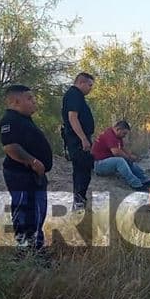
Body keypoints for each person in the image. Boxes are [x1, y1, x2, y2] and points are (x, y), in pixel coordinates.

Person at [0, 84, 53, 254]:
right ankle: (26, 253)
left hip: (33, 176)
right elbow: (11, 148)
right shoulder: (9, 120)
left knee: (37, 213)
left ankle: (36, 248)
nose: (34, 101)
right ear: (16, 101)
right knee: (25, 213)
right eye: (29, 98)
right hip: (21, 175)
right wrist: (34, 162)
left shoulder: (23, 119)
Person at [61, 72, 96, 210]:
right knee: (83, 169)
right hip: (78, 140)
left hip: (79, 138)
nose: (90, 88)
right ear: (81, 82)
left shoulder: (76, 95)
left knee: (82, 169)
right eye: (89, 85)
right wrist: (83, 139)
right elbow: (72, 118)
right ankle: (79, 201)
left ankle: (80, 199)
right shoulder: (74, 94)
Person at [92, 120, 150, 191]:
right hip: (99, 165)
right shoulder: (109, 135)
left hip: (106, 162)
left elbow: (122, 148)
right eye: (124, 133)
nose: (125, 136)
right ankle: (136, 184)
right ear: (118, 129)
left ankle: (144, 180)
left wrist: (130, 156)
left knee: (127, 160)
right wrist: (128, 157)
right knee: (120, 160)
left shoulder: (116, 135)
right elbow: (116, 152)